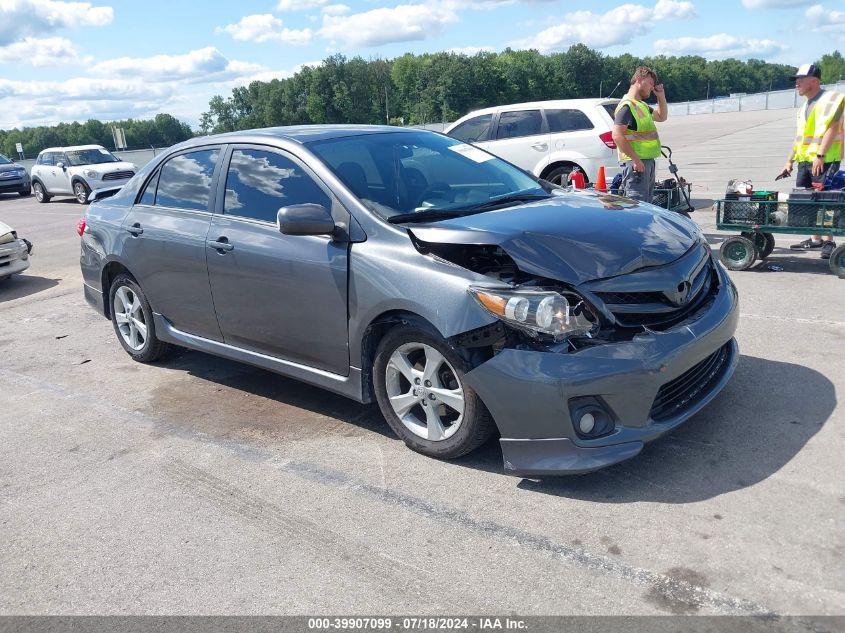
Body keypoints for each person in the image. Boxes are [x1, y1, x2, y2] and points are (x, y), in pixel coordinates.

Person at [779, 63, 844, 259]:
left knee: (825, 201)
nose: (796, 83)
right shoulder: (804, 107)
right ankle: (815, 239)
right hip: (805, 161)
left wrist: (820, 156)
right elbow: (800, 137)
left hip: (824, 160)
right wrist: (789, 161)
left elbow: (833, 129)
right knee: (808, 201)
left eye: (800, 79)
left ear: (814, 80)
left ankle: (829, 241)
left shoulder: (832, 100)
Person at [612, 67, 668, 204]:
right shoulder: (627, 106)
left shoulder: (641, 105)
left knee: (646, 205)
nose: (652, 87)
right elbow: (617, 135)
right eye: (649, 83)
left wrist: (661, 96)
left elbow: (662, 117)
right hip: (636, 165)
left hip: (645, 162)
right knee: (636, 206)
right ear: (638, 80)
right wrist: (636, 159)